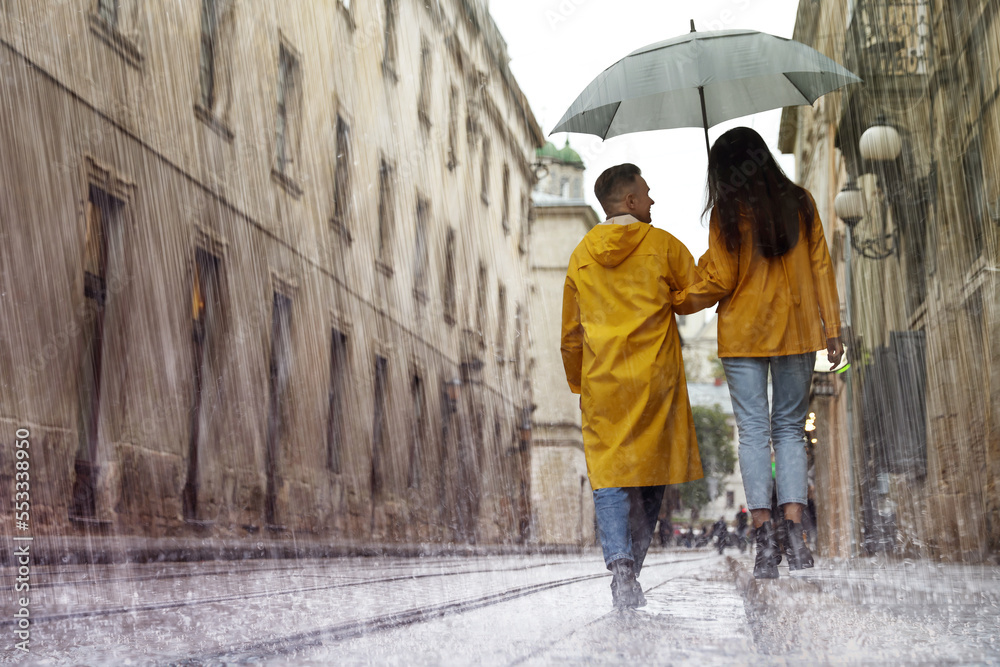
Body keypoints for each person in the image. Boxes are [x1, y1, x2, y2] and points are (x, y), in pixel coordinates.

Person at [673, 127, 844, 579]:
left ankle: (765, 538)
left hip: (744, 333)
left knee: (752, 433)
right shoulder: (802, 202)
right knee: (788, 430)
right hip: (796, 329)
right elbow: (822, 266)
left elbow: (720, 281)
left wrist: (679, 299)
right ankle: (794, 532)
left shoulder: (728, 212)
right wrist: (833, 327)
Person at [561, 163, 704, 609]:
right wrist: (675, 298)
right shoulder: (662, 246)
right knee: (649, 478)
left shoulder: (582, 254)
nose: (652, 200)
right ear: (629, 201)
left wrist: (579, 384)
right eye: (646, 192)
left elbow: (570, 334)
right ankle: (631, 570)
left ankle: (621, 566)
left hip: (603, 384)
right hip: (654, 382)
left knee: (609, 480)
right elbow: (699, 291)